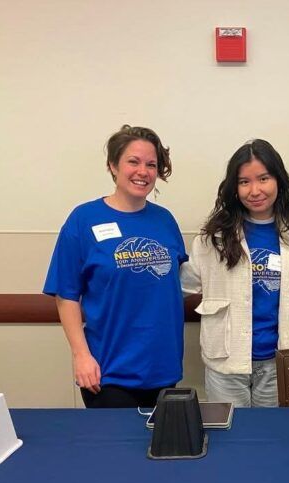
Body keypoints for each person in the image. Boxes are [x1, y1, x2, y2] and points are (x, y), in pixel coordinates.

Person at [43, 125, 187, 408]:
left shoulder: (165, 221)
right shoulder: (83, 220)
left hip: (163, 368)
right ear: (113, 165)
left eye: (151, 164)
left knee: (162, 449)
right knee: (113, 451)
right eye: (133, 162)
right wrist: (81, 356)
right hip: (108, 372)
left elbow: (172, 284)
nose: (142, 172)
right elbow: (66, 294)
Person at [182, 139, 289, 407]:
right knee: (229, 435)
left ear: (278, 180)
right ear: (234, 187)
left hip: (278, 361)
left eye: (263, 178)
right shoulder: (213, 238)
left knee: (271, 436)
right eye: (244, 182)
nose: (254, 190)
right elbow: (188, 286)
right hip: (226, 363)